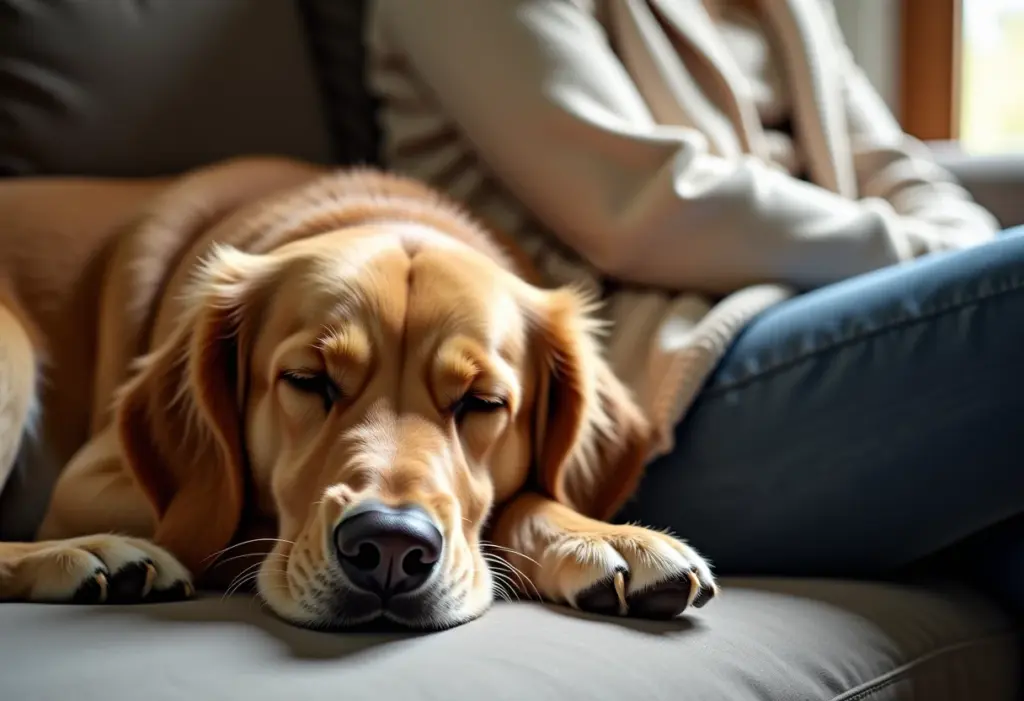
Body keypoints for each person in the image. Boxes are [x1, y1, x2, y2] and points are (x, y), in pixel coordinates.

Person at [365, 0, 1024, 613]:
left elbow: (891, 166)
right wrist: (949, 269)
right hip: (657, 381)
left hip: (829, 314)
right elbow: (639, 207)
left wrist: (960, 261)